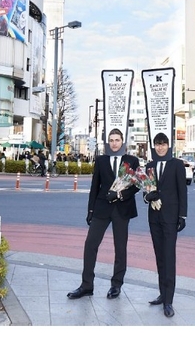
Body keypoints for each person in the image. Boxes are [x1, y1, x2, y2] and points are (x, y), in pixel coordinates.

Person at [67, 128, 140, 301]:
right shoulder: (101, 160)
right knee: (90, 244)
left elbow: (137, 185)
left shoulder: (132, 160)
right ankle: (86, 285)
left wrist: (120, 194)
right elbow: (95, 186)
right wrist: (90, 210)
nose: (114, 143)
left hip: (122, 209)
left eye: (117, 140)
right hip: (102, 208)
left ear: (122, 142)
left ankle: (116, 285)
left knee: (120, 248)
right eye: (111, 140)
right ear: (108, 142)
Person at [144, 132, 188, 318]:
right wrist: (148, 197)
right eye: (157, 144)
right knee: (160, 257)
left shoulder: (176, 164)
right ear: (154, 146)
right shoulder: (149, 166)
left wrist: (182, 216)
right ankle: (162, 293)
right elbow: (146, 191)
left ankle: (169, 301)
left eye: (163, 144)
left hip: (170, 217)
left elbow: (182, 191)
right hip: (154, 218)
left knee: (169, 257)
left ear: (168, 146)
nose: (160, 147)